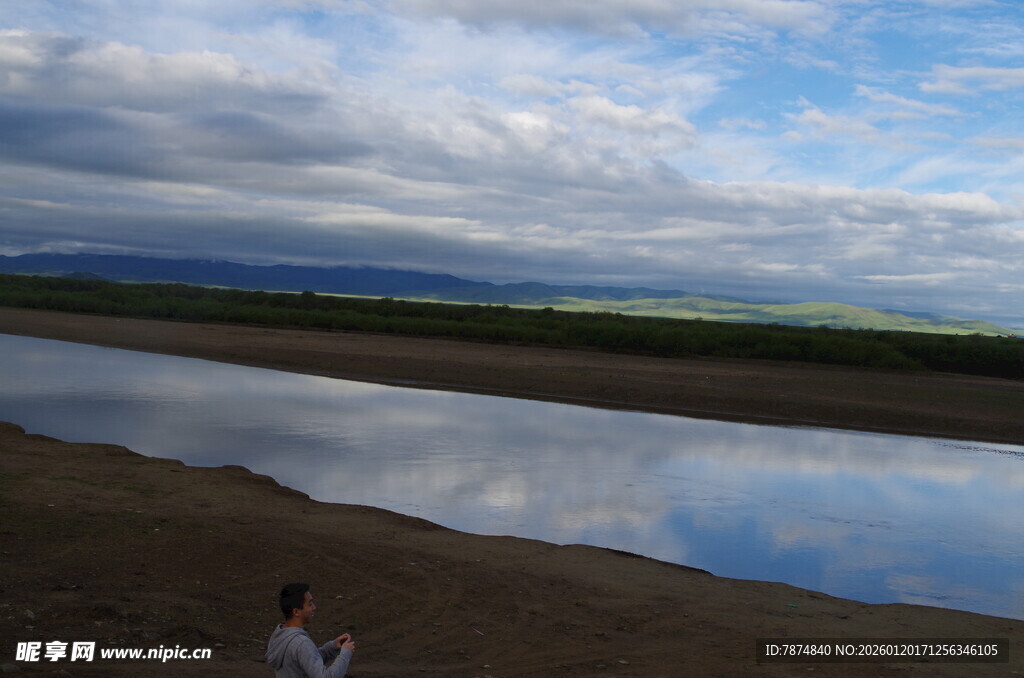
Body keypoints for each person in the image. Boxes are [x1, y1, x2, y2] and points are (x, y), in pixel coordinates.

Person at [266, 582, 356, 677]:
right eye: (310, 604)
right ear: (296, 612)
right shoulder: (301, 643)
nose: (314, 607)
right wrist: (345, 654)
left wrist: (331, 648)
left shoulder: (280, 635)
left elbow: (305, 660)